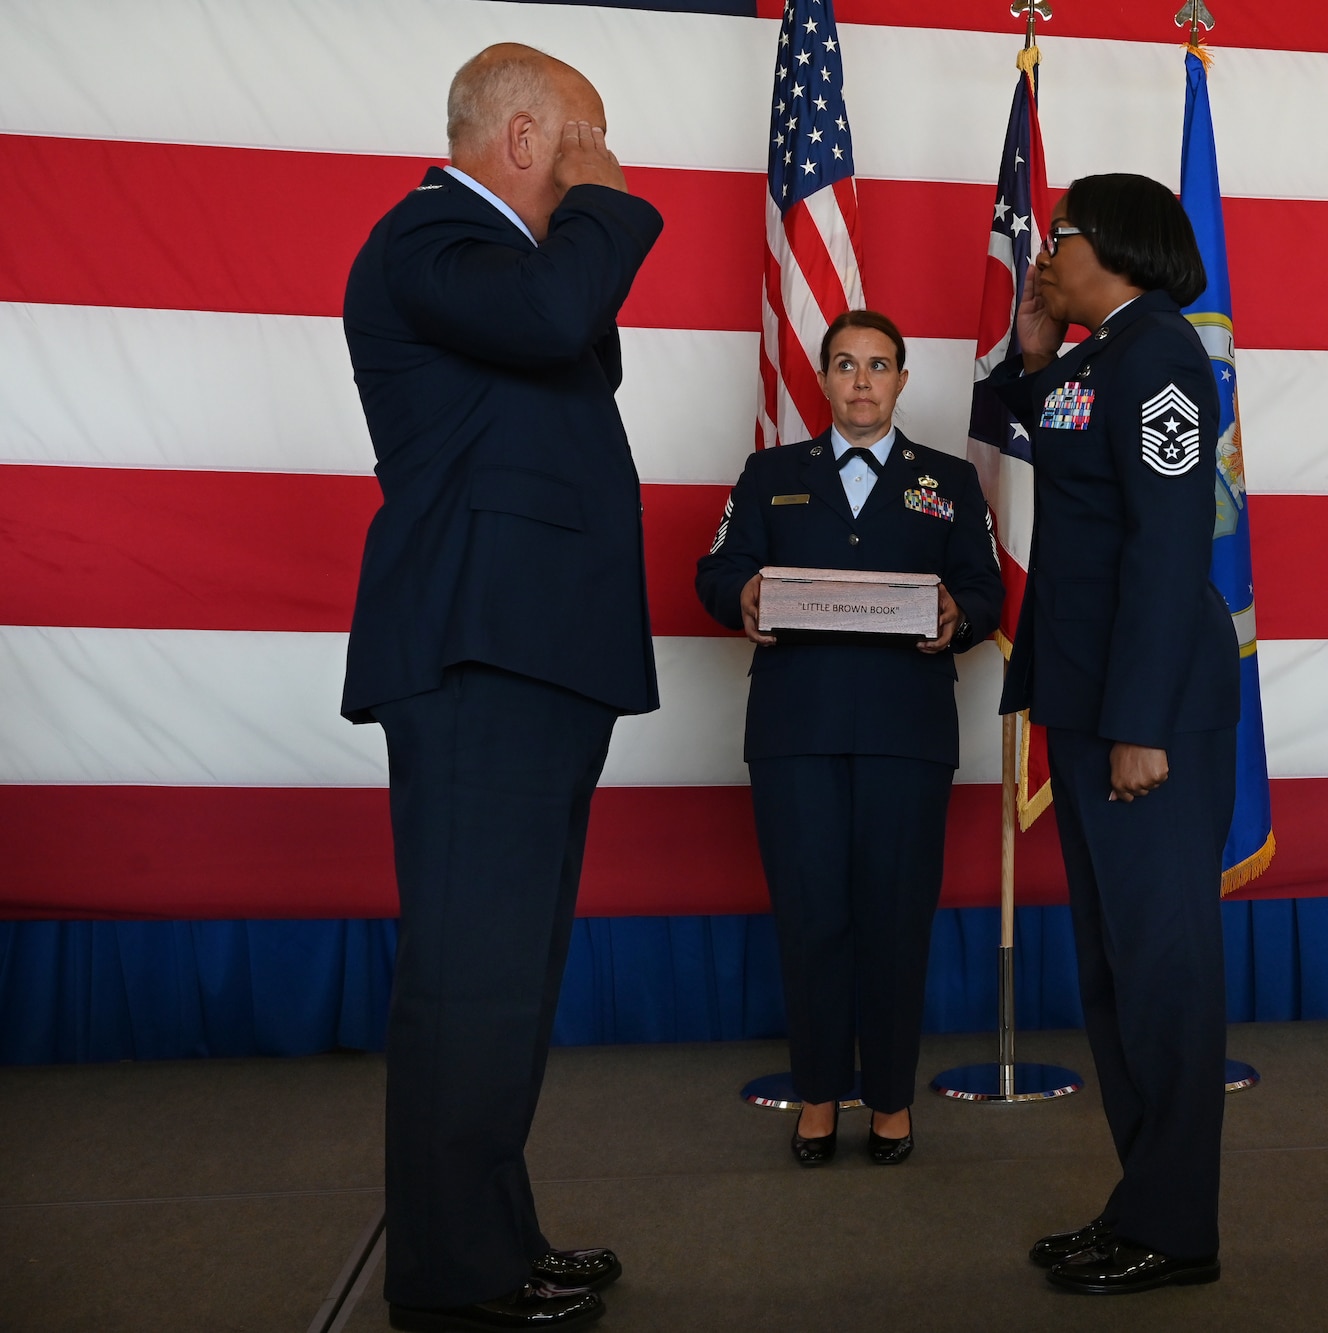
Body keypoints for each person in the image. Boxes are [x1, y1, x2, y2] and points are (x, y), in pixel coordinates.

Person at [340, 43, 662, 1331]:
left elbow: (578, 345)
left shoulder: (503, 264)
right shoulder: (425, 235)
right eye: (585, 141)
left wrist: (578, 223)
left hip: (531, 658)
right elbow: (550, 322)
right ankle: (452, 1276)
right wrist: (603, 202)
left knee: (510, 976)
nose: (606, 164)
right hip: (479, 657)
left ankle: (496, 1237)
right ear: (523, 141)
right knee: (470, 975)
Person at [990, 174, 1240, 1295]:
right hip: (1089, 699)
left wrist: (1140, 723)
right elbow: (1029, 435)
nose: (1043, 251)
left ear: (1123, 247)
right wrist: (1036, 352)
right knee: (1114, 972)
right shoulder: (1097, 357)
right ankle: (1142, 1199)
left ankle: (1176, 1225)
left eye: (1062, 236)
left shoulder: (1165, 358)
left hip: (1149, 710)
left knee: (1162, 969)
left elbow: (1165, 544)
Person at [694, 310, 1002, 1168]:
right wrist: (744, 596)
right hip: (796, 730)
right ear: (823, 380)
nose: (861, 381)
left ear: (903, 380)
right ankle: (821, 1092)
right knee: (811, 915)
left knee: (897, 919)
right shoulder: (769, 474)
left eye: (878, 365)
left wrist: (959, 613)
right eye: (844, 365)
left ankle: (894, 1097)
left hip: (908, 732)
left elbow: (985, 588)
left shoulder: (948, 481)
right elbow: (714, 571)